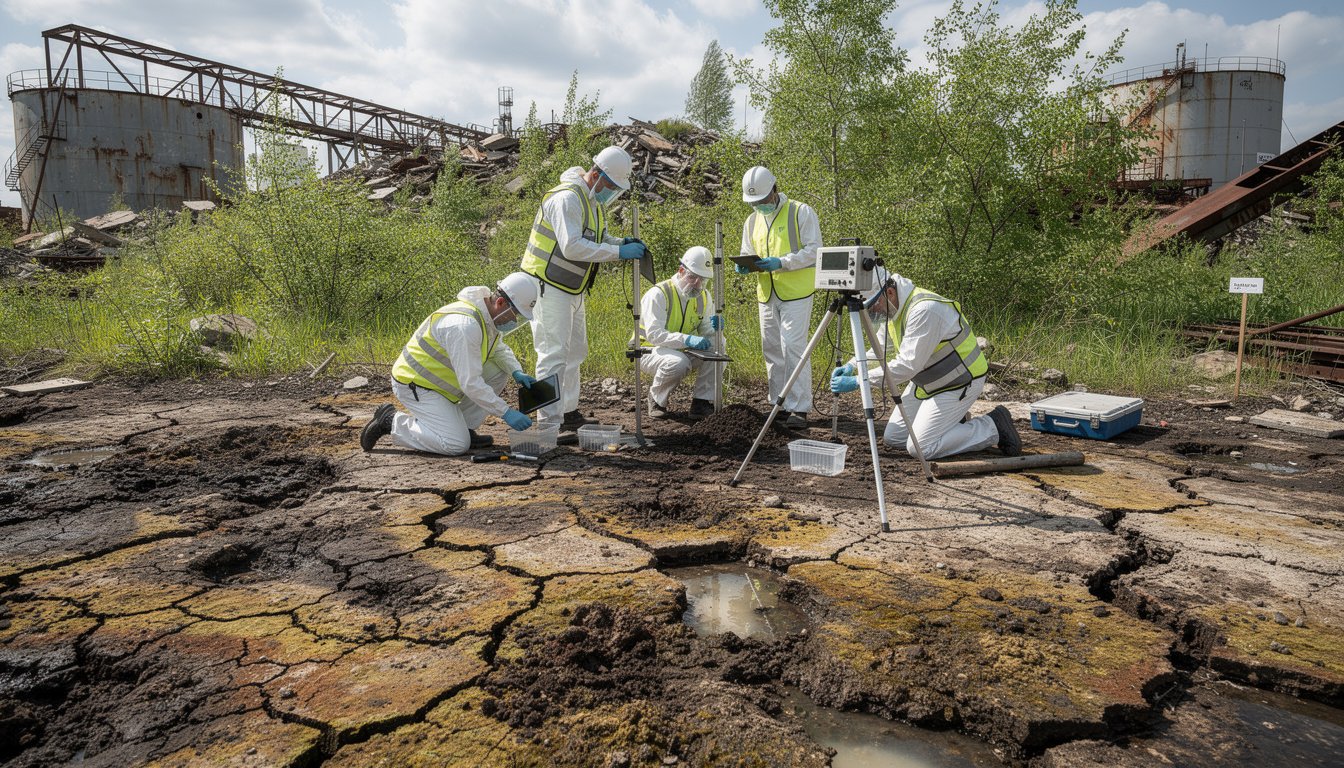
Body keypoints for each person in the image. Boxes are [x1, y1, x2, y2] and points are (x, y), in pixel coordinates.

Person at [829, 267, 1021, 459]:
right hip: (928, 381)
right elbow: (879, 346)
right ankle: (953, 422)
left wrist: (859, 381)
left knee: (921, 448)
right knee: (894, 438)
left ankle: (993, 426)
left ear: (889, 292)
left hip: (960, 381)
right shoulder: (892, 309)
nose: (872, 312)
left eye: (872, 306)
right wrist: (852, 365)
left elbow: (906, 366)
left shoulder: (924, 310)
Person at [520, 145, 647, 431]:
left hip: (571, 288)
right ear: (597, 175)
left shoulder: (591, 202)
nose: (612, 193)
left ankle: (567, 411)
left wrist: (618, 243)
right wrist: (617, 254)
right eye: (612, 186)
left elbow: (595, 237)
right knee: (552, 353)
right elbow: (572, 246)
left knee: (575, 351)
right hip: (547, 286)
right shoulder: (567, 199)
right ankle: (548, 421)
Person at [360, 272, 541, 456]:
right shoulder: (465, 327)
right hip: (416, 385)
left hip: (439, 385)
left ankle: (465, 427)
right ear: (500, 303)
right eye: (515, 314)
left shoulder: (487, 318)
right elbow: (470, 383)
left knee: (500, 370)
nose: (515, 320)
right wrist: (506, 412)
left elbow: (498, 349)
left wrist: (516, 371)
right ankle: (390, 422)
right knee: (455, 444)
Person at [735, 165, 821, 430]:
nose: (759, 206)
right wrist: (745, 265)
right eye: (754, 203)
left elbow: (815, 251)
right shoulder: (752, 221)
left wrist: (782, 263)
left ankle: (799, 407)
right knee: (771, 349)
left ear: (774, 190)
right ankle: (779, 403)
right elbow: (747, 250)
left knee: (793, 347)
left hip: (796, 293)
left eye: (761, 201)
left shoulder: (800, 212)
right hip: (766, 293)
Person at [636, 246, 723, 419]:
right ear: (681, 270)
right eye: (693, 277)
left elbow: (705, 330)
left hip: (682, 348)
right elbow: (654, 335)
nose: (697, 284)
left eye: (702, 280)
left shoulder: (703, 296)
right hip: (649, 350)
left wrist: (715, 328)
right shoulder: (659, 294)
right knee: (678, 362)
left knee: (719, 344)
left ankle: (702, 402)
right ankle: (656, 399)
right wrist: (688, 339)